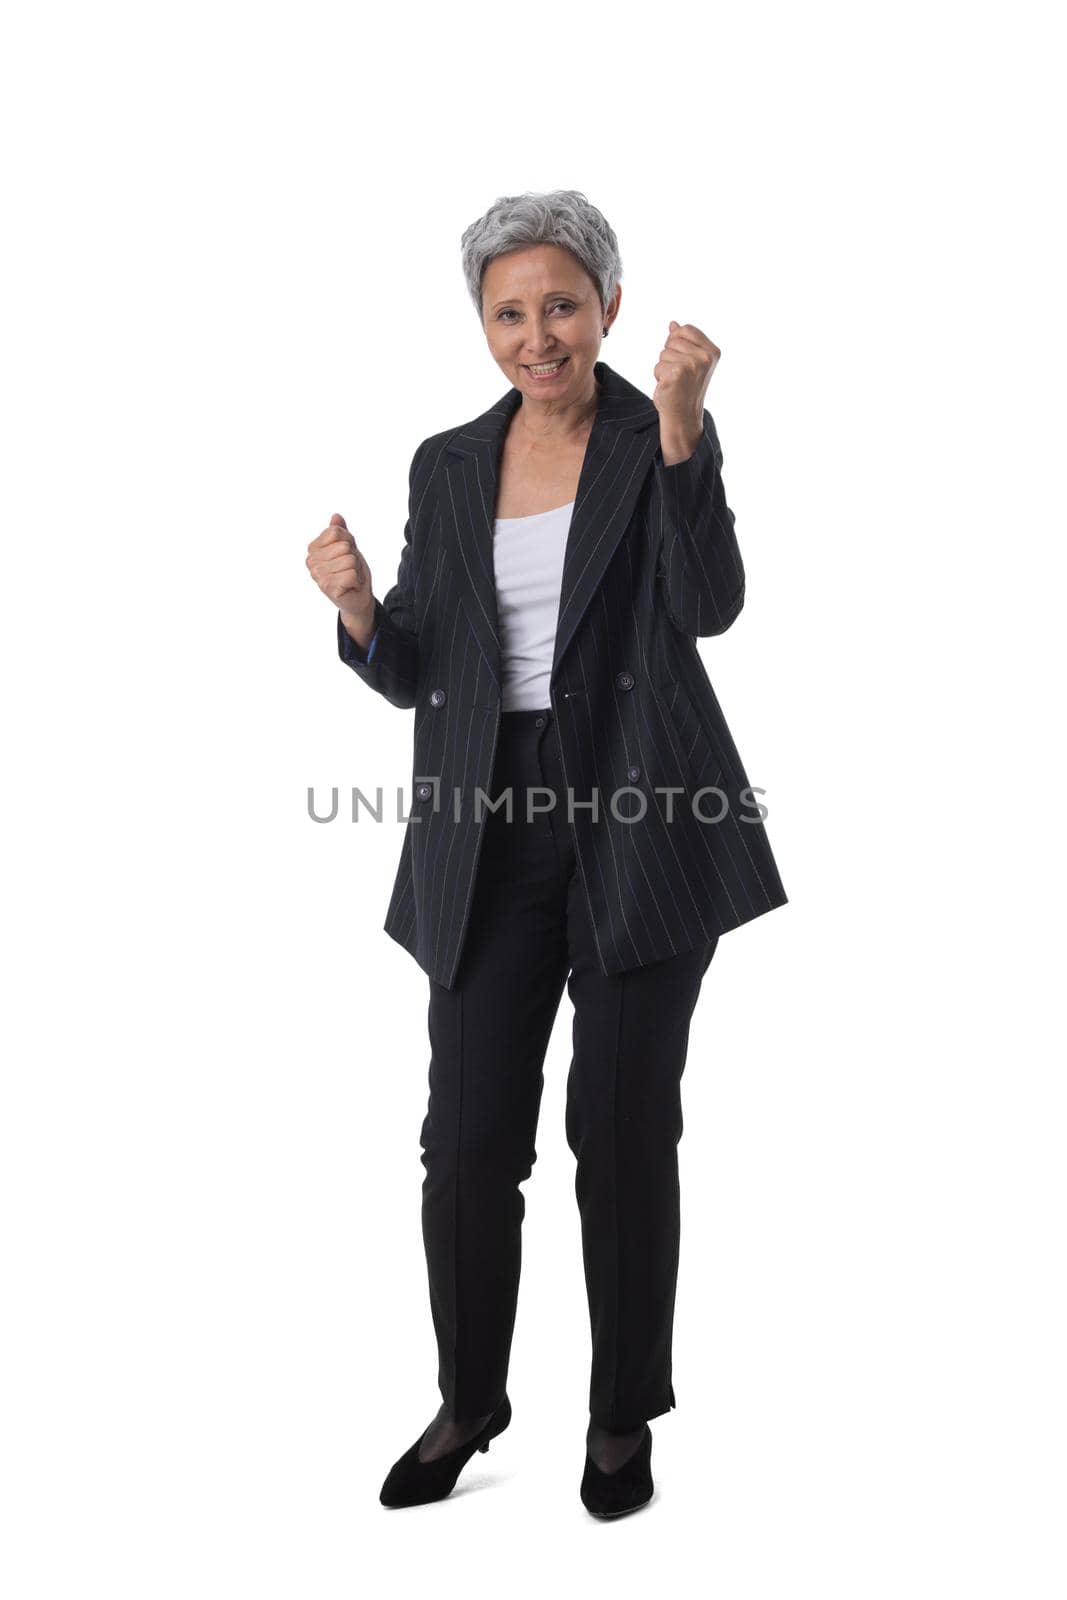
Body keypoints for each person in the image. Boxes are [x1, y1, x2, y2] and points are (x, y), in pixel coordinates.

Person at [306, 190, 788, 1517]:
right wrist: (356, 613)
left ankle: (623, 1416)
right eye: (510, 312)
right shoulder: (449, 465)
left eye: (562, 305)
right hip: (484, 829)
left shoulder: (656, 433)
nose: (539, 333)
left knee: (619, 1133)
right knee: (464, 1145)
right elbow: (417, 669)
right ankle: (471, 1400)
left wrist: (686, 436)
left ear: (609, 308)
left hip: (644, 820)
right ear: (484, 324)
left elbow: (711, 608)